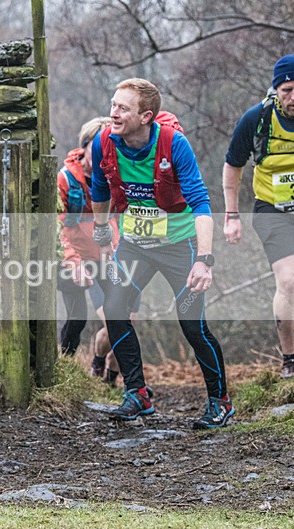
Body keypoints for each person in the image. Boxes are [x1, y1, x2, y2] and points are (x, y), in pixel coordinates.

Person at [90, 78, 234, 429]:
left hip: (179, 246)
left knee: (192, 324)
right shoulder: (103, 142)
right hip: (135, 245)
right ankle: (136, 393)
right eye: (113, 105)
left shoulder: (173, 144)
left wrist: (204, 261)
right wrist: (101, 230)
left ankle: (220, 402)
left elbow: (201, 203)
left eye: (123, 108)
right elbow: (99, 188)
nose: (113, 114)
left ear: (146, 116)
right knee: (114, 309)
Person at [223, 54, 294, 378]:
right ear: (276, 91)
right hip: (274, 209)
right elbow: (233, 166)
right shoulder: (257, 119)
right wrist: (232, 215)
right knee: (290, 279)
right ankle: (289, 360)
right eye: (287, 90)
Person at [57, 116, 139, 385]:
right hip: (72, 256)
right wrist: (73, 262)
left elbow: (121, 218)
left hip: (106, 256)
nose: (104, 153)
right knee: (77, 318)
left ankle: (120, 379)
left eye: (109, 147)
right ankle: (63, 372)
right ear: (85, 146)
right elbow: (58, 226)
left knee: (122, 318)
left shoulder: (116, 177)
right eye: (99, 147)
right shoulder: (66, 179)